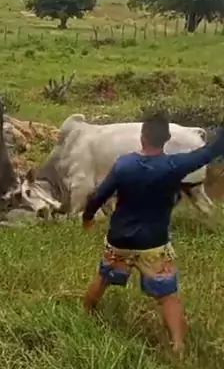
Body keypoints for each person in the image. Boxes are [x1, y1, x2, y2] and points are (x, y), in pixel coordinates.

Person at [81, 110, 224, 355]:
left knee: (103, 278)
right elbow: (210, 151)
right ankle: (178, 346)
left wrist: (88, 217)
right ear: (167, 139)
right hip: (154, 245)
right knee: (168, 296)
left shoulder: (123, 164)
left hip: (120, 241)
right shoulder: (174, 166)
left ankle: (84, 315)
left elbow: (99, 196)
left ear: (142, 136)